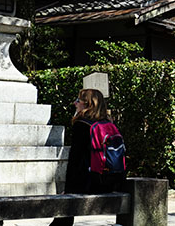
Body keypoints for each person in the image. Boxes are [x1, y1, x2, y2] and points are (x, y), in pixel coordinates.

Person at [49, 88, 125, 226]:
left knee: (66, 205)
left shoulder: (82, 125)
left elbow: (75, 161)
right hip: (111, 181)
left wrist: (68, 190)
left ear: (87, 104)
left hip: (91, 183)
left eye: (78, 100)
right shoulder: (109, 124)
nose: (75, 103)